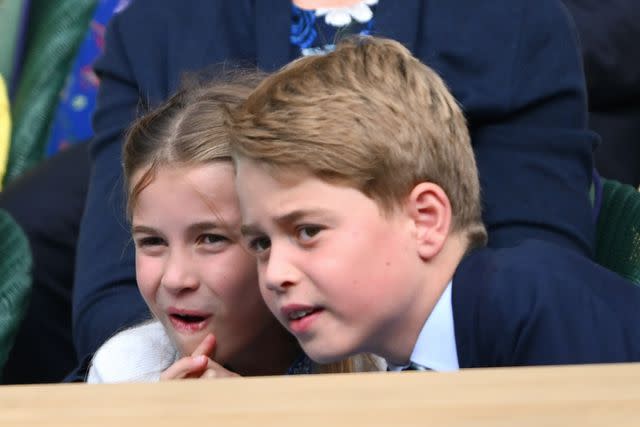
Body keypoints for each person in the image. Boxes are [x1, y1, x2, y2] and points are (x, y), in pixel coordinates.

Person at [227, 37, 640, 370]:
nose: (275, 274)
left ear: (425, 220)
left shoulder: (530, 305)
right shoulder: (400, 361)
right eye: (261, 244)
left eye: (307, 231)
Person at [82, 74, 381, 383]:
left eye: (211, 239)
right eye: (153, 241)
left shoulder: (377, 363)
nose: (175, 279)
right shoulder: (126, 370)